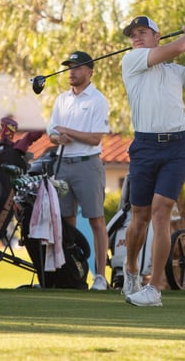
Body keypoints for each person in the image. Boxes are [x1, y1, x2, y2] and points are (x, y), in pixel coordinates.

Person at [120, 16, 185, 307]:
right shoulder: (132, 60)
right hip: (144, 146)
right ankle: (131, 270)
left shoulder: (175, 73)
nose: (136, 37)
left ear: (157, 36)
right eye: (132, 34)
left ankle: (154, 289)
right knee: (139, 217)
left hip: (177, 146)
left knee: (162, 211)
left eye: (143, 32)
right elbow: (177, 49)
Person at [47, 50, 111, 291]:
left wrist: (67, 131)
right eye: (69, 67)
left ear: (89, 71)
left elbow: (95, 138)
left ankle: (100, 276)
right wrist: (57, 137)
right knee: (66, 222)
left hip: (88, 164)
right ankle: (72, 274)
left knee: (96, 220)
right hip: (63, 163)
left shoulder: (97, 100)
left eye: (76, 67)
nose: (71, 71)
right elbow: (52, 133)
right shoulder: (62, 99)